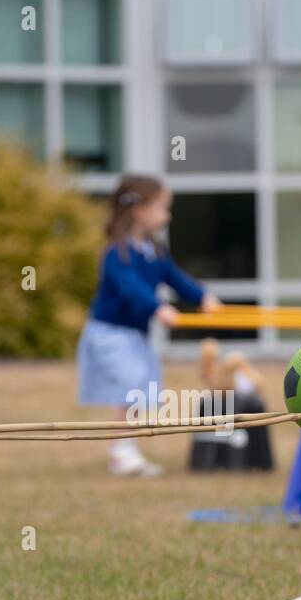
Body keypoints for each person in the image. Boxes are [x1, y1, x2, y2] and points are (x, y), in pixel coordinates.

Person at [77, 174, 220, 476]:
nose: (167, 216)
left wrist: (201, 296)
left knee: (141, 386)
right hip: (110, 333)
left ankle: (125, 446)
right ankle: (122, 449)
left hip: (133, 335)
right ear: (140, 211)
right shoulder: (117, 253)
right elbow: (131, 288)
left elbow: (174, 277)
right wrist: (158, 308)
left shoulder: (154, 251)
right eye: (162, 208)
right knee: (132, 381)